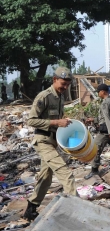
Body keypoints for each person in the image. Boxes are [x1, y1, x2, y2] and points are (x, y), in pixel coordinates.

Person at [24, 67, 77, 220]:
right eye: (63, 84)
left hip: (53, 141)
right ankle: (78, 210)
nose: (65, 87)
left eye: (67, 85)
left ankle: (31, 209)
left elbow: (58, 119)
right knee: (66, 174)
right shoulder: (44, 96)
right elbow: (31, 120)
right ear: (54, 80)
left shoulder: (60, 96)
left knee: (46, 176)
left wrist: (64, 122)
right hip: (43, 141)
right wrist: (55, 122)